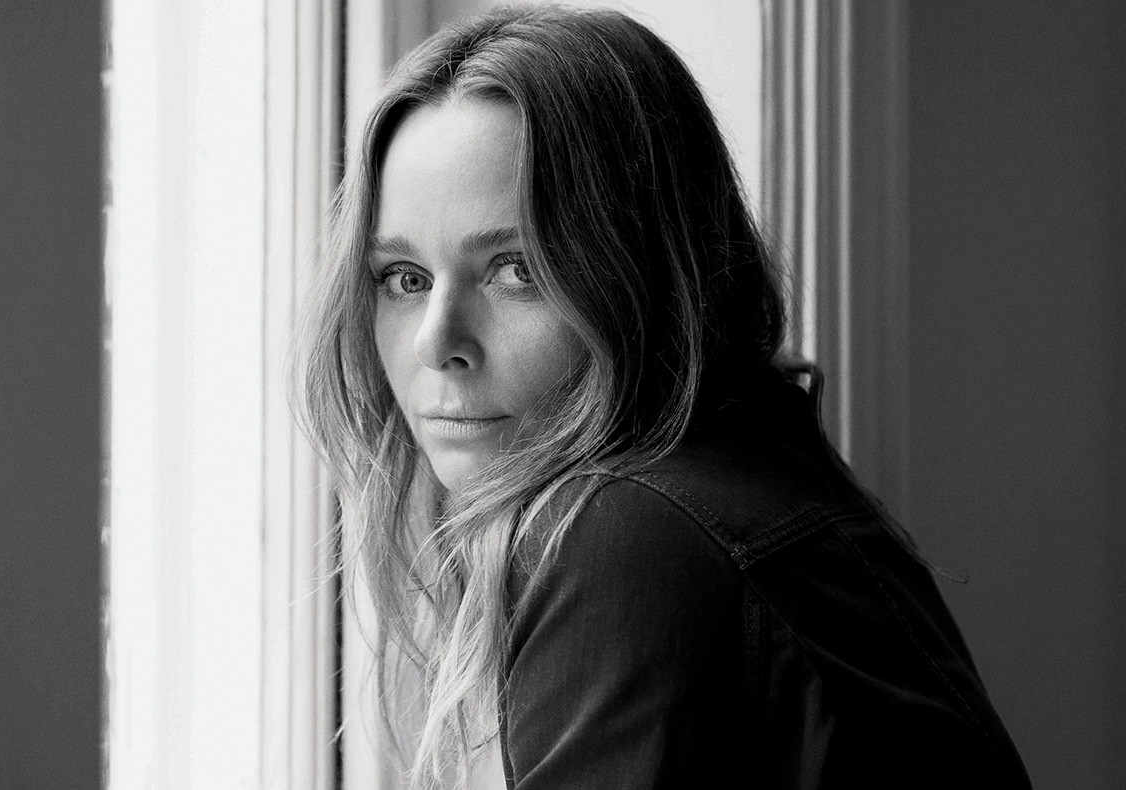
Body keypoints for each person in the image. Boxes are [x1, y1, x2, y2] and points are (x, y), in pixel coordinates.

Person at [296, 6, 1030, 789]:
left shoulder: (637, 537)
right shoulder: (748, 485)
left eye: (518, 270)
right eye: (403, 278)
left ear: (646, 273)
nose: (435, 342)